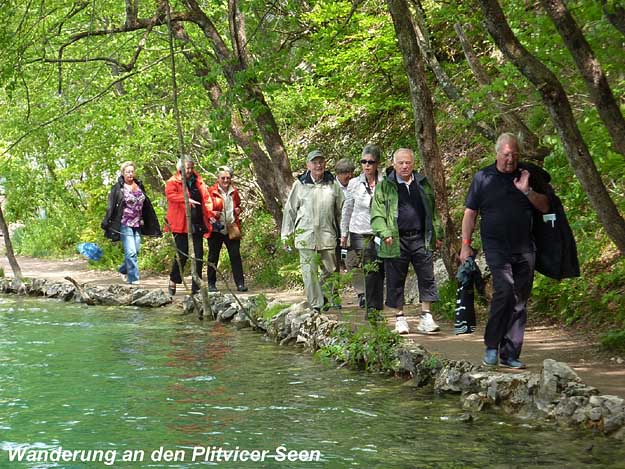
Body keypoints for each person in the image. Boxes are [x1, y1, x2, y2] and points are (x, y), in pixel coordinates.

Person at [460, 133, 550, 369]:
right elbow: (470, 213)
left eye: (515, 154)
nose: (511, 159)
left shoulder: (526, 175)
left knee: (520, 300)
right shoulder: (483, 177)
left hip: (524, 247)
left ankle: (510, 354)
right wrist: (465, 245)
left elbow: (546, 207)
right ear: (497, 153)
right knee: (504, 291)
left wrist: (526, 191)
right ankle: (491, 345)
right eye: (507, 154)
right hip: (496, 246)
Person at [370, 148, 442, 334]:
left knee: (427, 276)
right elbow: (377, 214)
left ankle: (426, 316)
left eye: (408, 162)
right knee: (395, 279)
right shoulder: (384, 186)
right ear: (393, 164)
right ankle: (399, 318)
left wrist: (437, 233)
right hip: (394, 239)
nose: (404, 166)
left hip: (420, 237)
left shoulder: (422, 184)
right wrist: (384, 232)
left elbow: (432, 212)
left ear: (413, 164)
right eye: (400, 163)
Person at [281, 149, 344, 312]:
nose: (318, 165)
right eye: (314, 162)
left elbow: (341, 210)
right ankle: (316, 304)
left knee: (330, 271)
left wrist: (344, 233)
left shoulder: (332, 184)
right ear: (308, 165)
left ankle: (326, 297)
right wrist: (286, 236)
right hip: (305, 235)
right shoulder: (300, 185)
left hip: (327, 234)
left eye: (321, 162)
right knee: (309, 273)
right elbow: (290, 211)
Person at [340, 144, 385, 314]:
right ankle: (371, 308)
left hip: (379, 230)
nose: (367, 165)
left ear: (377, 163)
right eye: (363, 162)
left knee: (379, 268)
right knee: (370, 265)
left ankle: (376, 304)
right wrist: (344, 233)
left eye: (371, 162)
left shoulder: (385, 181)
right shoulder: (353, 183)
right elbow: (347, 208)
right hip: (359, 231)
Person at [101, 161, 161, 285]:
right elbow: (111, 206)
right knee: (131, 252)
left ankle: (123, 269)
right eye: (127, 171)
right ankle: (134, 279)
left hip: (138, 223)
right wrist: (106, 221)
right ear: (123, 173)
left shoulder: (139, 185)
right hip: (125, 223)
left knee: (137, 250)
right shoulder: (118, 188)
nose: (130, 174)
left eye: (132, 171)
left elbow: (146, 204)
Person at [165, 157, 214, 295]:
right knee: (182, 253)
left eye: (191, 167)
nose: (189, 170)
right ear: (180, 168)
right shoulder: (172, 182)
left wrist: (210, 215)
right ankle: (173, 279)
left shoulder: (198, 180)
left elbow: (206, 198)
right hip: (180, 223)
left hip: (197, 221)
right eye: (187, 168)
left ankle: (196, 286)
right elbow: (170, 196)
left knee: (198, 254)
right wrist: (186, 199)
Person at [206, 165, 247, 292]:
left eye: (228, 178)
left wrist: (238, 210)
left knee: (235, 256)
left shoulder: (234, 191)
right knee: (213, 256)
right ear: (218, 179)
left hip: (231, 227)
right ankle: (211, 284)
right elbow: (205, 210)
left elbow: (238, 204)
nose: (225, 180)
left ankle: (240, 284)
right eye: (222, 178)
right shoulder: (211, 191)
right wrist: (213, 213)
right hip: (216, 229)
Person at [334, 158, 355, 272]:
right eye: (346, 173)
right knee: (333, 266)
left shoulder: (357, 185)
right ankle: (333, 288)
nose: (350, 175)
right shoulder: (331, 187)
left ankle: (360, 289)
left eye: (351, 172)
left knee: (352, 262)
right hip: (334, 232)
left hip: (352, 233)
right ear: (338, 174)